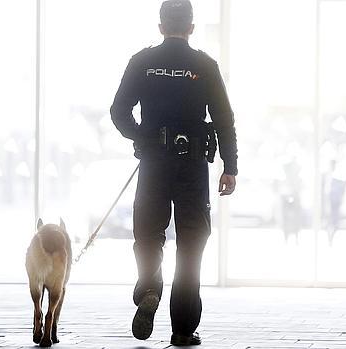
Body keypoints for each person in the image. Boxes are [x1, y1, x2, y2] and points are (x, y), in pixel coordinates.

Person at [110, 0, 238, 346]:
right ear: (192, 28)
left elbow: (119, 111)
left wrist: (143, 136)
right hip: (193, 166)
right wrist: (231, 167)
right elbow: (225, 119)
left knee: (149, 234)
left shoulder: (143, 61)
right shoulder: (204, 65)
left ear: (161, 26)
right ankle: (182, 330)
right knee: (191, 245)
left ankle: (150, 285)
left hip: (153, 164)